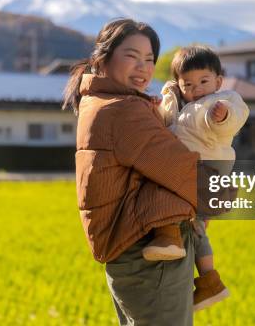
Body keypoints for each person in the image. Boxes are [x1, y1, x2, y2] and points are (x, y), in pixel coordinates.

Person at [63, 18, 207, 325]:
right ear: (102, 58)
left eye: (149, 59)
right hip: (151, 256)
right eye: (131, 56)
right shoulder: (123, 110)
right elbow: (182, 170)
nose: (143, 67)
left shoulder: (97, 101)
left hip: (130, 255)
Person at [148, 44, 249, 311]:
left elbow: (234, 117)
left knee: (162, 186)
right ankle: (209, 282)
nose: (196, 88)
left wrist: (222, 115)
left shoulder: (219, 102)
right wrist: (156, 109)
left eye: (203, 81)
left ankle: (168, 235)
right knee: (197, 229)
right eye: (188, 84)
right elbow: (165, 127)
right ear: (178, 85)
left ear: (218, 81)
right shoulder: (180, 105)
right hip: (198, 174)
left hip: (205, 172)